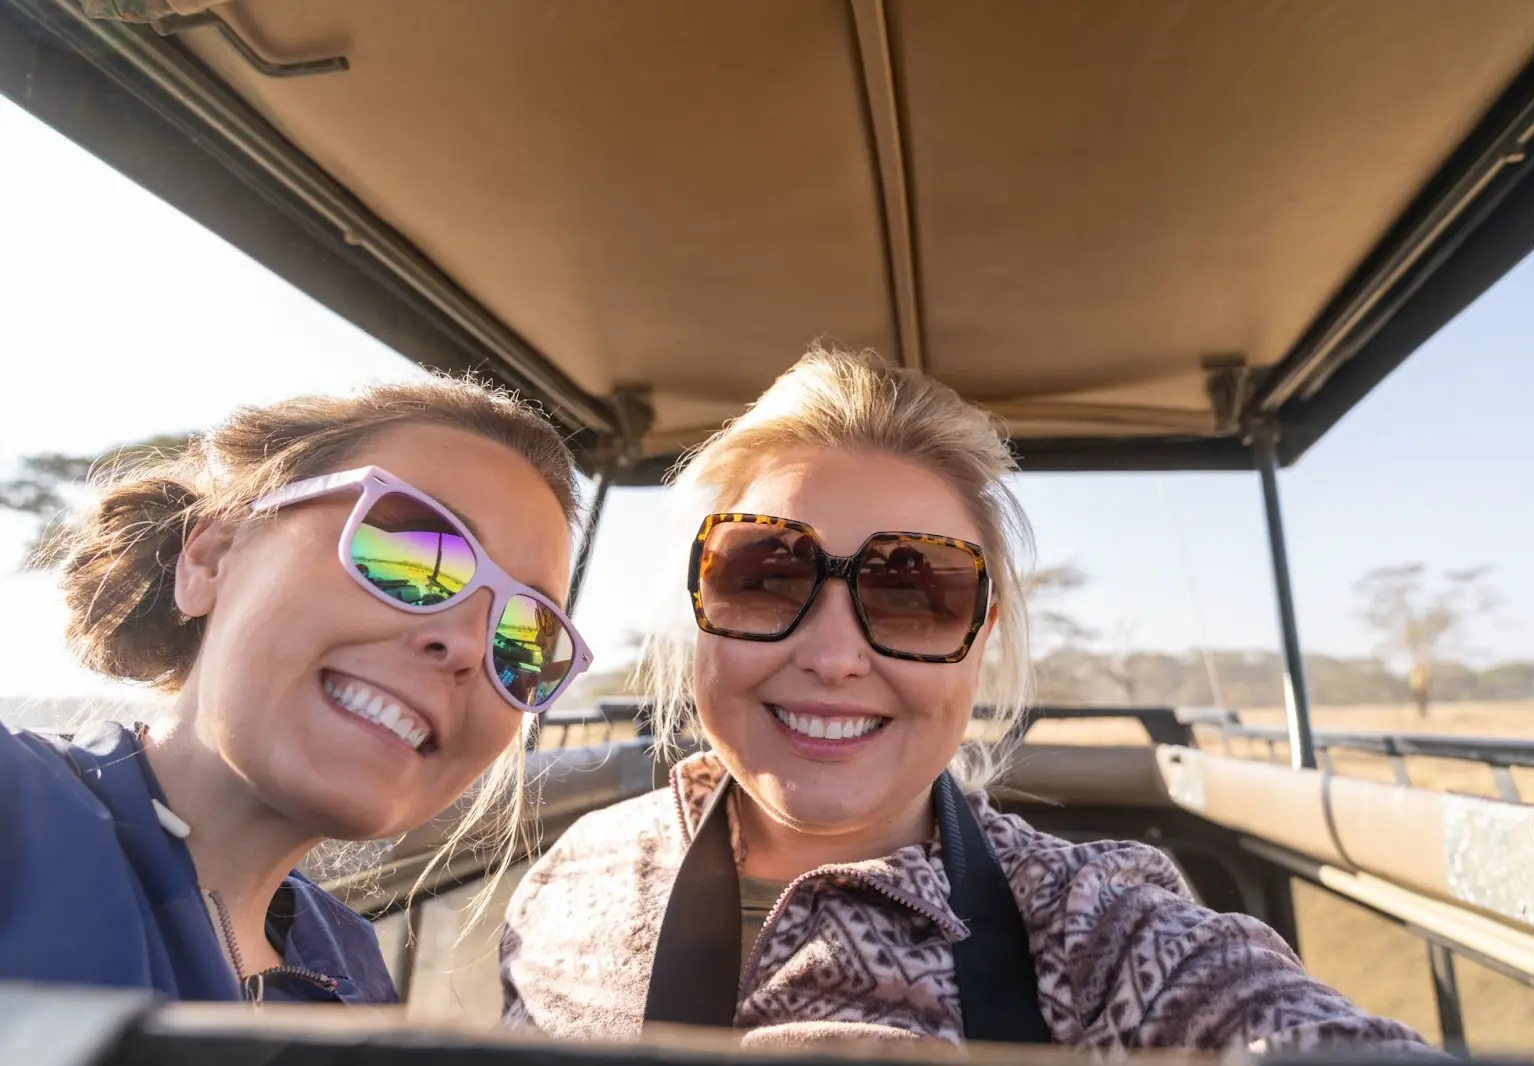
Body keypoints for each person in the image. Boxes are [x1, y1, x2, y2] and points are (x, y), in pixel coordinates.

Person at [499, 348, 1432, 1053]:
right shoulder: (568, 879)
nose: (832, 656)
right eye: (765, 575)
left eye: (916, 595)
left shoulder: (1094, 931)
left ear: (978, 646)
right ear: (698, 612)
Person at [0, 375, 592, 1004]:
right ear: (211, 559)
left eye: (528, 635)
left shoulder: (353, 977)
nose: (471, 646)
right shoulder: (18, 813)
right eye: (414, 553)